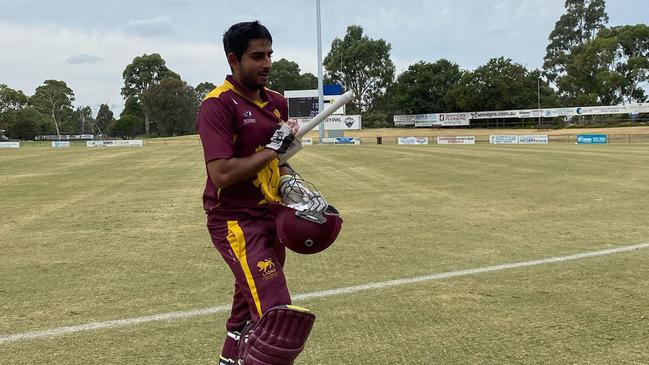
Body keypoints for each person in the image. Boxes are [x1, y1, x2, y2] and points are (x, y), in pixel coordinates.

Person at [197, 21, 316, 365]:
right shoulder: (217, 105)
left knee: (244, 309)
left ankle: (228, 359)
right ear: (234, 60)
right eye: (257, 56)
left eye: (269, 55)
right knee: (277, 314)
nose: (267, 63)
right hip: (235, 223)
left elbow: (279, 163)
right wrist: (273, 149)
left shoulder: (277, 102)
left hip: (272, 217)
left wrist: (292, 185)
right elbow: (221, 174)